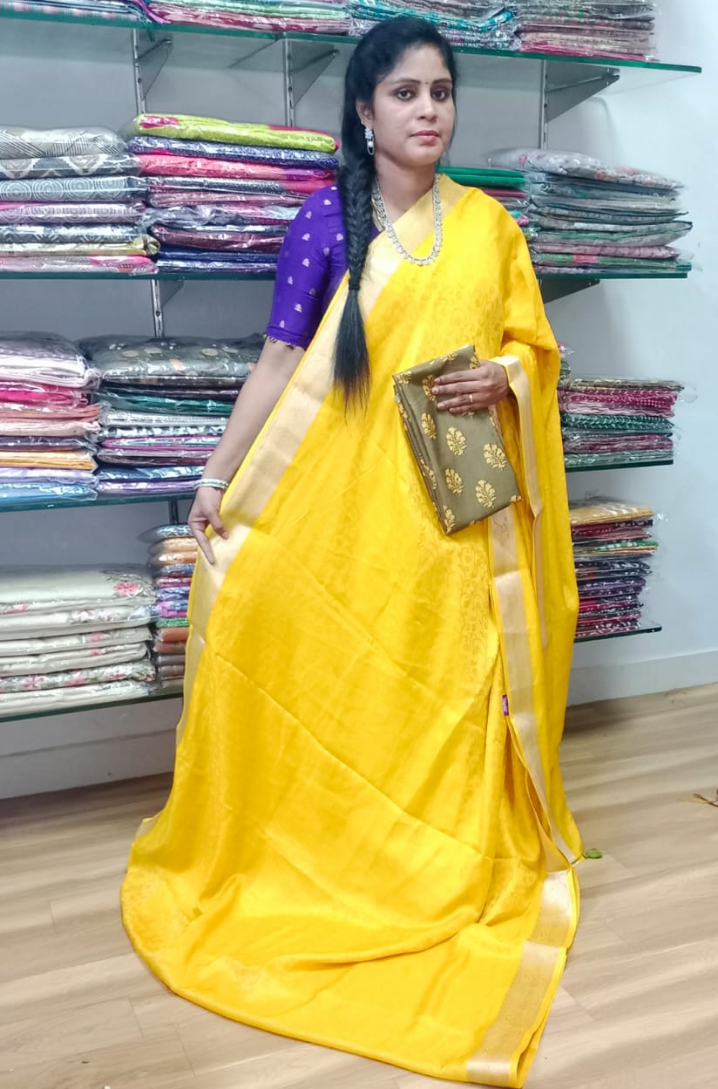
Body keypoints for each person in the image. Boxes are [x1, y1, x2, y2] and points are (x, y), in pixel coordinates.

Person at [122, 16, 583, 1088]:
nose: (428, 111)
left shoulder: (490, 228)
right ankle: (332, 855)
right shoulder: (325, 219)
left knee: (446, 684)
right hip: (340, 513)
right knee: (331, 673)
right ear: (366, 111)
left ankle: (439, 859)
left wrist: (507, 378)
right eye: (405, 94)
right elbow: (279, 362)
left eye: (441, 92)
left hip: (453, 512)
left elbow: (532, 349)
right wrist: (213, 479)